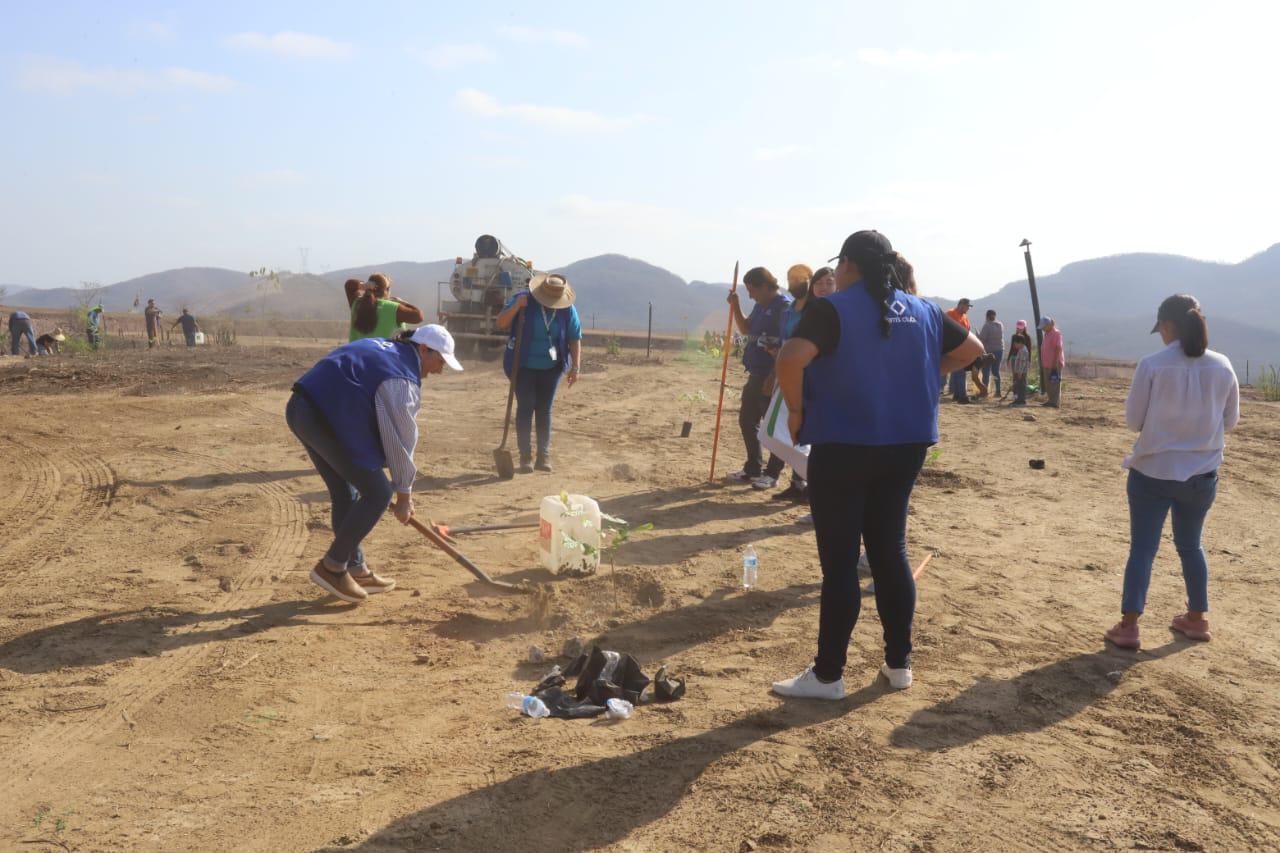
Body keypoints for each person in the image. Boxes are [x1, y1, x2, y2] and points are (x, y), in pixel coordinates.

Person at [770, 230, 982, 699]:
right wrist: (928, 369)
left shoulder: (834, 307)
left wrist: (798, 410)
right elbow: (973, 352)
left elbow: (791, 358)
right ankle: (898, 664)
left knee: (842, 562)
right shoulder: (925, 310)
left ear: (848, 264)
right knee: (890, 552)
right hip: (906, 444)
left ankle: (828, 675)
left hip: (844, 443)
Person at [288, 324, 464, 603]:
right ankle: (332, 567)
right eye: (440, 360)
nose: (439, 370)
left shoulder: (385, 348)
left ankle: (355, 569)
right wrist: (404, 496)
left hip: (302, 410)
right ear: (423, 349)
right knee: (379, 493)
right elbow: (399, 441)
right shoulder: (401, 378)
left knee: (346, 491)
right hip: (322, 419)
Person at [1104, 295, 1238, 650]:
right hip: (1202, 474)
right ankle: (1196, 619)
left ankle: (1129, 626)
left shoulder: (1152, 364)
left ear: (1166, 326)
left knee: (1143, 550)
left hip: (1153, 472)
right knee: (1191, 546)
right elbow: (1231, 422)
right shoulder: (1223, 365)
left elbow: (1133, 421)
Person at [495, 272, 583, 473]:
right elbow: (501, 322)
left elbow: (574, 338)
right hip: (522, 364)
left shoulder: (567, 309)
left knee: (544, 409)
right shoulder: (523, 299)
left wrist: (575, 367)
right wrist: (517, 307)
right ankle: (525, 457)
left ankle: (543, 456)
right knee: (526, 406)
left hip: (552, 367)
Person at [725, 267, 792, 489]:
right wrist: (735, 307)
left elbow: (786, 344)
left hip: (772, 376)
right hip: (755, 373)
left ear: (764, 285)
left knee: (772, 427)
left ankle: (772, 474)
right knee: (747, 420)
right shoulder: (760, 306)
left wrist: (774, 375)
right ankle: (753, 467)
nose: (750, 295)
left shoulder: (784, 307)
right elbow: (746, 329)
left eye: (752, 290)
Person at [347, 274, 425, 341]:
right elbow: (419, 316)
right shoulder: (393, 309)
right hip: (384, 357)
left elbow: (349, 285)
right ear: (387, 290)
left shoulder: (357, 304)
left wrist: (363, 285)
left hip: (356, 356)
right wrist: (402, 302)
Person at [945, 298, 973, 403]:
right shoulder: (950, 313)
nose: (968, 309)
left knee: (958, 371)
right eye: (967, 306)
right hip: (953, 346)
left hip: (962, 347)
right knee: (960, 371)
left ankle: (957, 394)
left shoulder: (965, 317)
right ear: (961, 305)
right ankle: (962, 395)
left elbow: (968, 330)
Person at [1039, 315, 1065, 407]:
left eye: (1044, 327)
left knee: (1054, 383)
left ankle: (1055, 402)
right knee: (1048, 383)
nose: (1042, 329)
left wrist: (1055, 362)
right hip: (1047, 363)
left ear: (1049, 325)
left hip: (1055, 363)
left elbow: (1058, 348)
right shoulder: (1047, 333)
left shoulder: (1056, 333)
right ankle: (1051, 400)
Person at [978, 309, 1005, 398]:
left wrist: (978, 335)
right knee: (996, 371)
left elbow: (982, 338)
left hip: (989, 351)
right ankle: (998, 391)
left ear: (987, 316)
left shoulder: (987, 325)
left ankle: (984, 391)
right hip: (1000, 350)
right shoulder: (1000, 325)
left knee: (986, 371)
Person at [1008, 321, 1033, 406]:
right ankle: (1017, 398)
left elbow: (1022, 362)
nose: (1014, 345)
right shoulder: (1020, 347)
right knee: (1017, 383)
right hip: (1018, 367)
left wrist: (1020, 372)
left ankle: (1021, 400)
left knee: (1022, 384)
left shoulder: (1023, 351)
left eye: (1016, 344)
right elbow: (1012, 349)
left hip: (1021, 370)